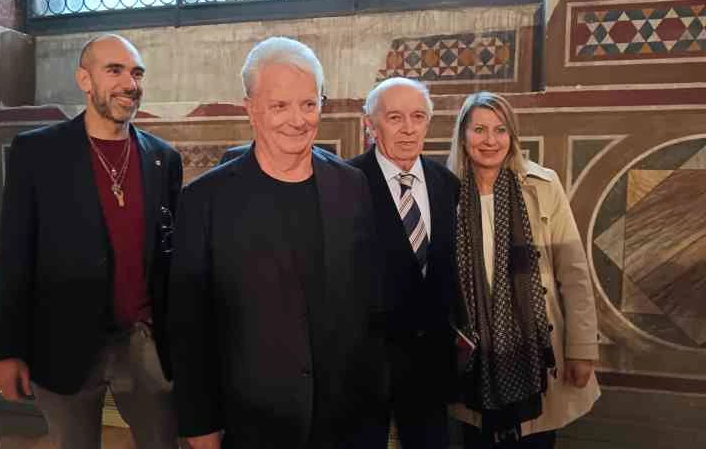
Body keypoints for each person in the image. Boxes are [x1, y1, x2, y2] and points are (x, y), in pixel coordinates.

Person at [168, 36, 387, 449]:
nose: (298, 120)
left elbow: (369, 303)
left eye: (309, 104)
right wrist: (200, 425)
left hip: (348, 419)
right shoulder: (204, 201)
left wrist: (377, 403)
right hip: (253, 422)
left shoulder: (352, 185)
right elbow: (190, 326)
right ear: (250, 108)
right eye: (280, 106)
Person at [0, 34, 182, 449]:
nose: (129, 83)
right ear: (84, 79)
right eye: (114, 70)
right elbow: (13, 255)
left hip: (143, 342)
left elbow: (171, 257)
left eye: (136, 73)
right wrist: (6, 350)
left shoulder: (163, 158)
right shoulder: (38, 152)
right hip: (64, 343)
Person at [446, 91, 600, 448]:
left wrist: (581, 348)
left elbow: (574, 272)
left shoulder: (543, 185)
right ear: (463, 135)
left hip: (535, 351)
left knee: (534, 439)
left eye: (500, 130)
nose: (490, 140)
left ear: (512, 136)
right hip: (472, 358)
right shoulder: (444, 190)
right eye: (479, 129)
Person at [347, 77, 460, 449]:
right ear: (371, 125)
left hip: (431, 364)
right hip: (365, 365)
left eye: (418, 116)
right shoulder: (345, 183)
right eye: (395, 117)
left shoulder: (447, 184)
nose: (409, 129)